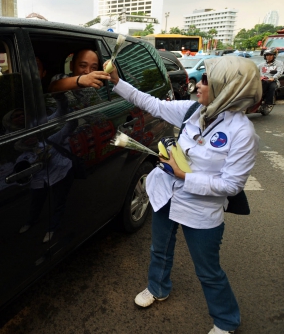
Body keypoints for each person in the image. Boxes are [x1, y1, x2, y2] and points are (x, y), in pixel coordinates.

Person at [102, 56, 261, 334]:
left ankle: (226, 320)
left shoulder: (242, 133)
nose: (196, 85)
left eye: (205, 81)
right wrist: (117, 82)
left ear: (227, 89)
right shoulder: (192, 110)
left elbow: (231, 185)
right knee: (159, 249)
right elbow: (151, 103)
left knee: (208, 271)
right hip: (166, 194)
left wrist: (184, 176)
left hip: (201, 210)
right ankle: (158, 287)